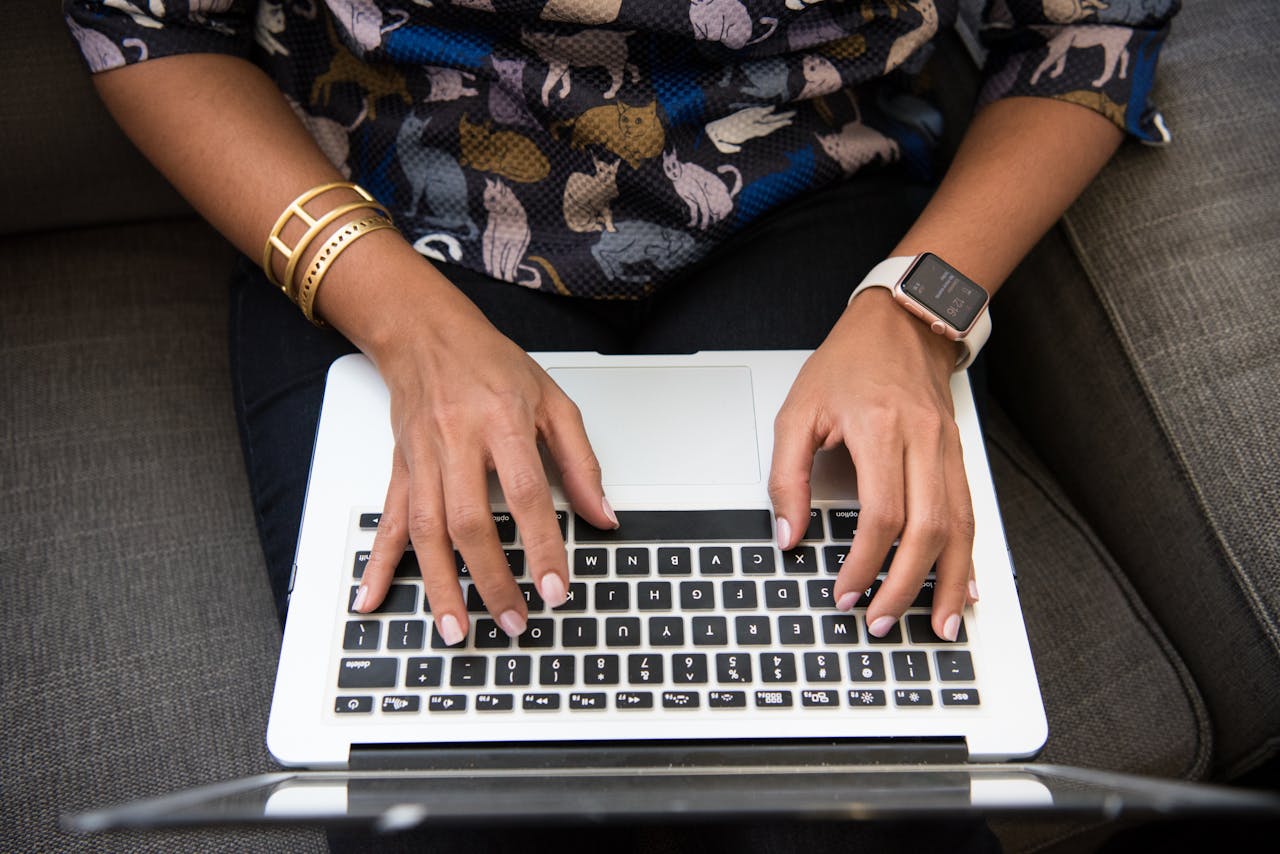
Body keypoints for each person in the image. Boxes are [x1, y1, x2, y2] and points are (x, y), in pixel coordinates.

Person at [65, 0, 1175, 715]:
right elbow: (146, 20)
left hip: (811, 188)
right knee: (459, 755)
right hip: (393, 212)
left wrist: (918, 306)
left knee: (848, 758)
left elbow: (1089, 25)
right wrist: (402, 323)